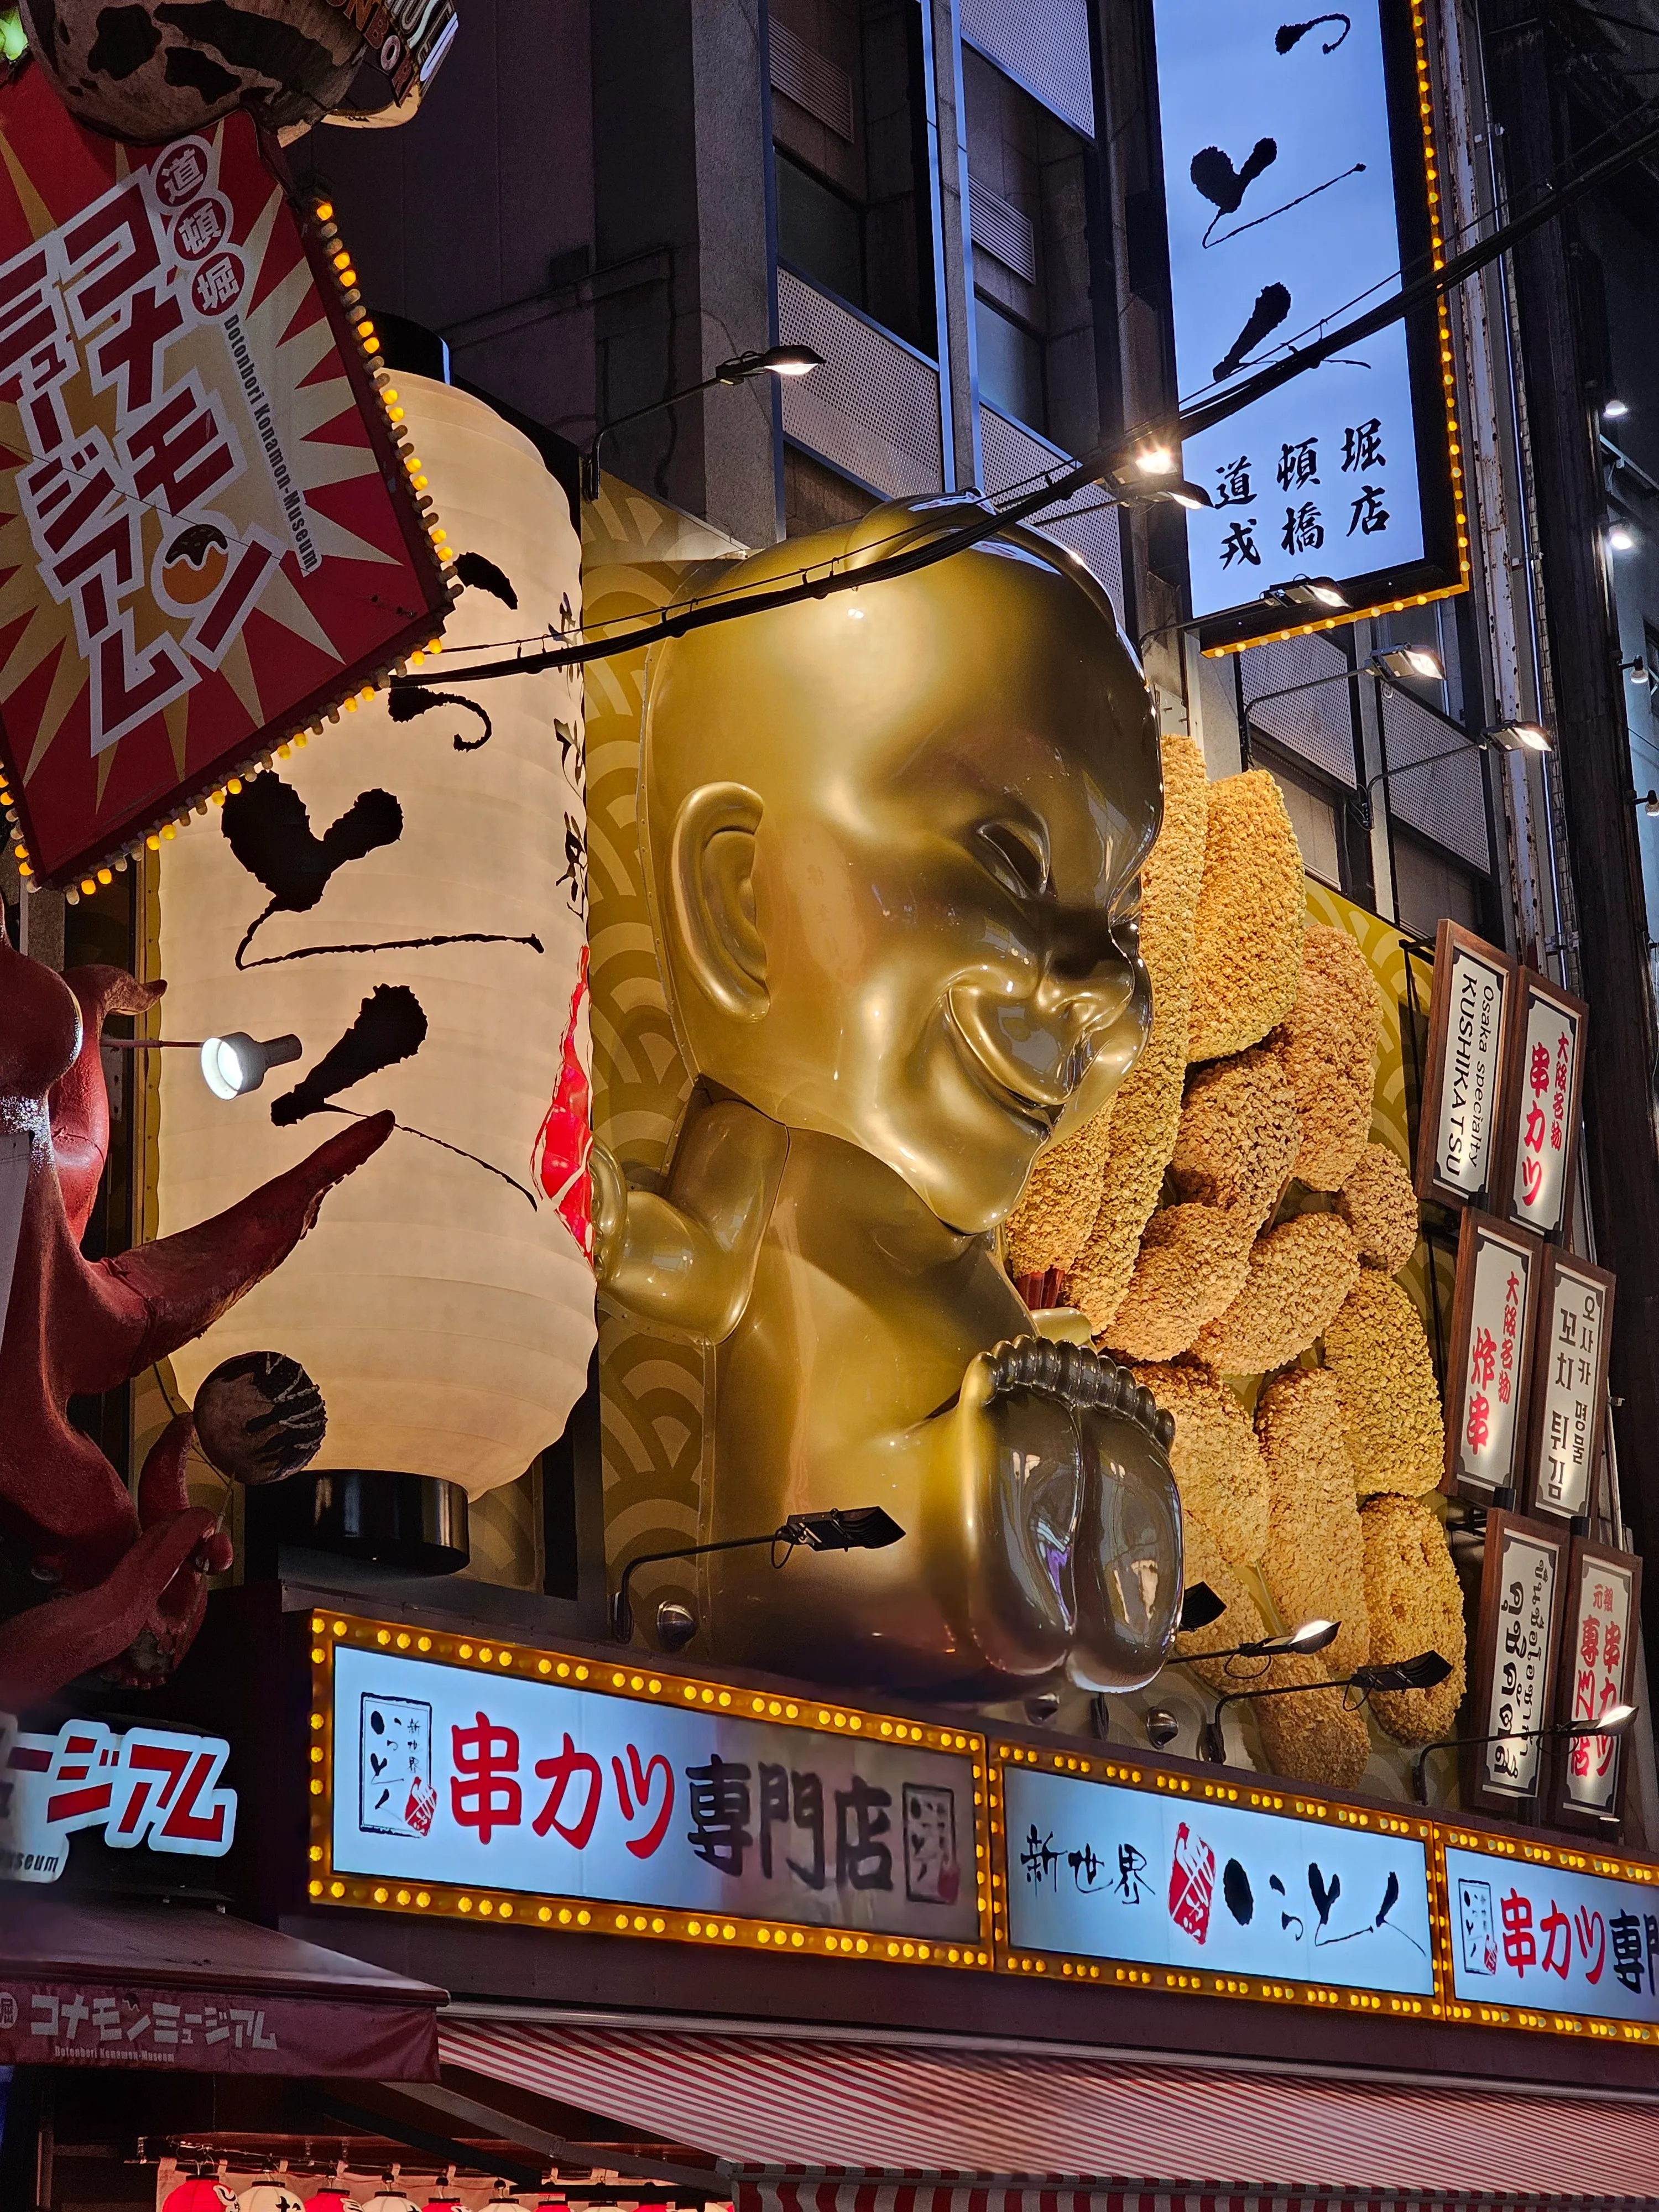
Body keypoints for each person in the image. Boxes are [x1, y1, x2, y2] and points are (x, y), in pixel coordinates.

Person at [592, 497, 1180, 1695]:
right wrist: (598, 1211)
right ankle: (1023, 1532)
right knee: (984, 1472)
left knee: (1044, 1444)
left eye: (1119, 920)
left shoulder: (967, 1222)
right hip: (837, 1530)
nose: (1097, 989)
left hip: (971, 1463)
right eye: (1013, 863)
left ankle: (1078, 1544)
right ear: (738, 904)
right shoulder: (762, 1142)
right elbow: (698, 1269)